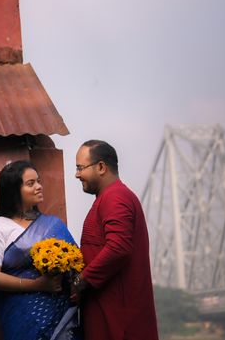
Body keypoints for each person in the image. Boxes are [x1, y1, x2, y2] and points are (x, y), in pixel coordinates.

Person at [0, 160, 80, 340]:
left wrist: (75, 284)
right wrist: (36, 285)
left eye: (39, 181)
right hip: (22, 317)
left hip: (61, 315)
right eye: (31, 183)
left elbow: (77, 262)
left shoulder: (52, 224)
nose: (39, 187)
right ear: (13, 190)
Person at [70, 140, 159, 340]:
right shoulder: (108, 197)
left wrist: (81, 280)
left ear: (101, 167)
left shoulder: (115, 197)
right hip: (107, 309)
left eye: (80, 168)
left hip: (119, 317)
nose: (76, 174)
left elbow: (119, 247)